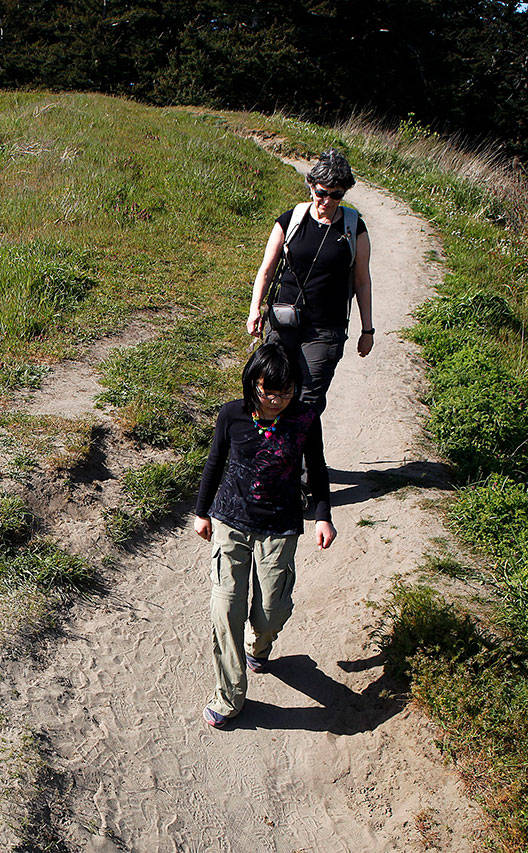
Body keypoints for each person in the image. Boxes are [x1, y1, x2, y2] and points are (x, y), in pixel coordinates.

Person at [193, 342, 336, 728]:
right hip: (230, 521)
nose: (276, 400)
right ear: (252, 383)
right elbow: (214, 463)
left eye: (285, 391)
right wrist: (201, 513)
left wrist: (323, 515)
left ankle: (262, 642)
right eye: (267, 391)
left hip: (280, 526)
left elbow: (317, 470)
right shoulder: (232, 415)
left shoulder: (305, 419)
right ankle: (229, 696)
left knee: (270, 610)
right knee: (226, 609)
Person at [246, 150, 374, 415]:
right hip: (283, 321)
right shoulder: (291, 220)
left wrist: (367, 331)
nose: (326, 201)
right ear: (311, 187)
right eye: (321, 192)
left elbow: (362, 282)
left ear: (344, 193)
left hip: (327, 329)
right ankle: (269, 451)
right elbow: (266, 270)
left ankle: (302, 456)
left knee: (308, 401)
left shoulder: (354, 228)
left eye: (335, 194)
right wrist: (254, 310)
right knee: (272, 390)